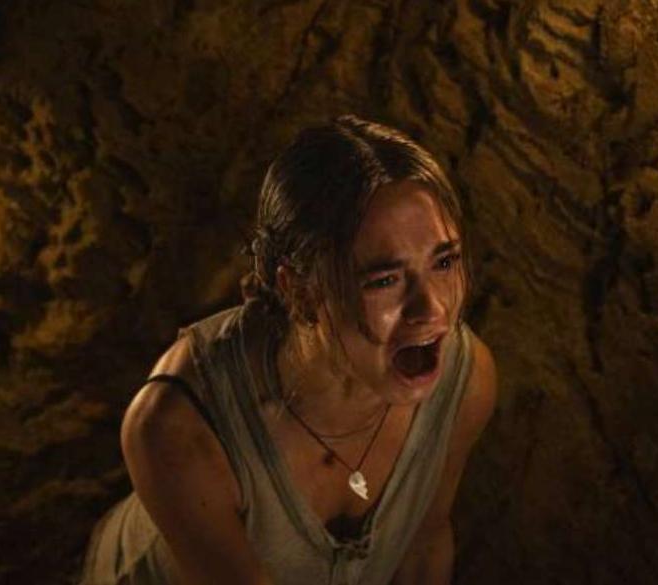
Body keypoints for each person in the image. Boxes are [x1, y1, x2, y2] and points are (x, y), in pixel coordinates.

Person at [80, 114, 497, 585]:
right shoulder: (180, 427)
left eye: (444, 262)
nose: (433, 309)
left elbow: (423, 541)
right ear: (299, 290)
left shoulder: (466, 381)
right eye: (384, 280)